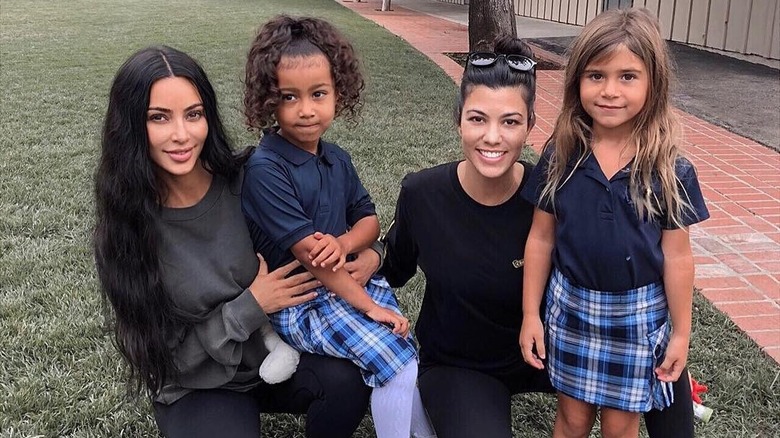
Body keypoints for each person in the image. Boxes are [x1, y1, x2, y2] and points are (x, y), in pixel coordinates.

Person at [381, 34, 700, 438]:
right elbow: (391, 265)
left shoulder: (559, 182)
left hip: (560, 343)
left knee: (656, 372)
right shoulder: (424, 194)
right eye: (477, 118)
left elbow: (667, 254)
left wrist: (680, 335)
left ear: (531, 124)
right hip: (468, 363)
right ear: (458, 117)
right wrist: (354, 254)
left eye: (510, 121)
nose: (492, 137)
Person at [94, 45, 379, 438]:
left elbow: (341, 224)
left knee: (348, 378)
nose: (181, 135)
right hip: (199, 384)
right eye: (159, 118)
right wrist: (252, 305)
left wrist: (372, 255)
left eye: (193, 115)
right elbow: (166, 359)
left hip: (281, 355)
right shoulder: (128, 228)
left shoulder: (251, 179)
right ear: (129, 126)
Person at [240, 16, 434, 438]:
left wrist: (345, 242)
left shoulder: (336, 158)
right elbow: (315, 259)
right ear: (268, 100)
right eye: (289, 97)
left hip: (346, 286)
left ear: (338, 94)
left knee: (404, 359)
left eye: (318, 94)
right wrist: (370, 306)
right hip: (304, 302)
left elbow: (369, 219)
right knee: (396, 363)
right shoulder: (266, 168)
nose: (306, 109)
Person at [519, 8, 709, 438]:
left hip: (635, 317)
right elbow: (540, 239)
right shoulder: (561, 155)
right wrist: (531, 314)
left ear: (653, 84)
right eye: (596, 75)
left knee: (620, 427)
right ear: (577, 83)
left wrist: (681, 334)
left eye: (627, 76)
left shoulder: (669, 168)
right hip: (571, 310)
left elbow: (677, 258)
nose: (609, 91)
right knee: (571, 421)